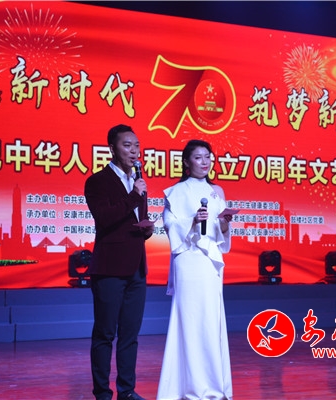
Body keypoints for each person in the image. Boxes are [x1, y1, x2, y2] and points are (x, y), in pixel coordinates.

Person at [157, 139, 234, 400]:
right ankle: (188, 387)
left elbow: (221, 232)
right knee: (190, 320)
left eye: (208, 157)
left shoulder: (217, 191)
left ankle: (213, 385)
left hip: (210, 260)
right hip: (188, 259)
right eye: (199, 157)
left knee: (210, 319)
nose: (205, 162)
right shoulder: (176, 192)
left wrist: (224, 223)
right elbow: (169, 225)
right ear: (187, 162)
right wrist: (192, 221)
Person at [84, 124, 153, 400]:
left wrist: (146, 230)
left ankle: (127, 390)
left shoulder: (138, 181)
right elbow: (105, 218)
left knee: (130, 335)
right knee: (105, 333)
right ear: (112, 149)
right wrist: (134, 196)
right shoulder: (97, 181)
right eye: (127, 145)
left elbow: (134, 220)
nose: (134, 151)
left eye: (137, 146)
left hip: (137, 267)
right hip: (109, 268)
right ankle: (102, 393)